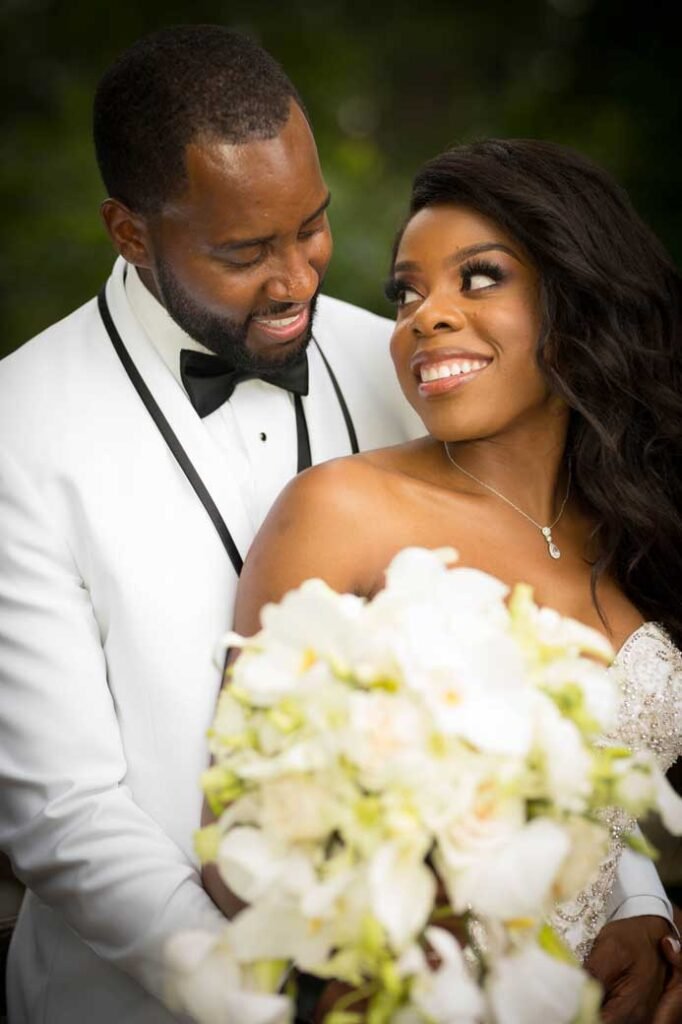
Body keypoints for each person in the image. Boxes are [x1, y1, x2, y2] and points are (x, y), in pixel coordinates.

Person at [0, 25, 422, 1024]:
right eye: (243, 251)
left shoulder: (402, 368)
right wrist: (257, 996)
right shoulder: (16, 426)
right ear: (131, 233)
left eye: (309, 228)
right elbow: (63, 809)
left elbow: (529, 654)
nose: (296, 280)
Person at [227, 139, 682, 1023]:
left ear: (578, 293)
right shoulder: (341, 509)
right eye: (408, 291)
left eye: (479, 278)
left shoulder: (644, 521)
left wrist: (659, 925)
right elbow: (242, 836)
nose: (425, 316)